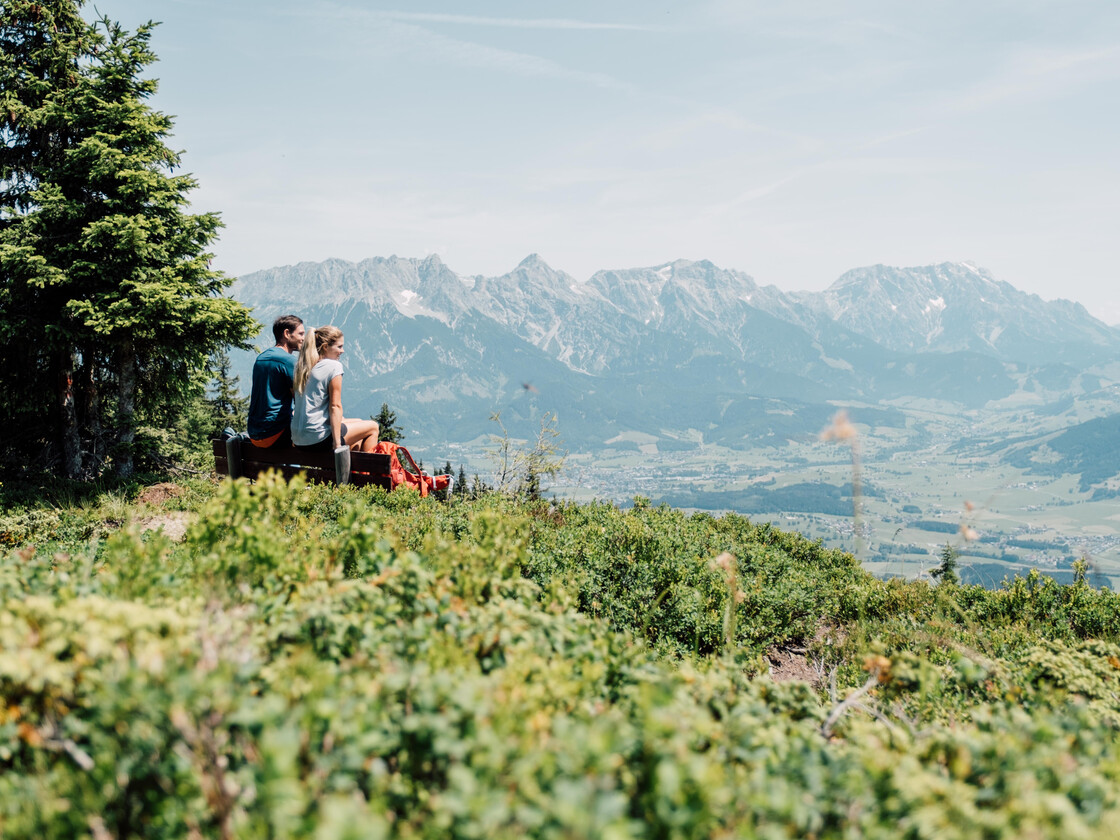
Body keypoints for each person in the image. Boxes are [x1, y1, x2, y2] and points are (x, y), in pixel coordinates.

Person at [291, 325, 379, 452]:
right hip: (318, 439)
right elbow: (335, 406)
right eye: (339, 346)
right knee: (373, 427)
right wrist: (337, 444)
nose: (342, 351)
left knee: (359, 422)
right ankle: (367, 471)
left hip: (299, 439)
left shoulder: (301, 367)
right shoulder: (333, 366)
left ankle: (352, 471)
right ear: (325, 347)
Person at [247, 314, 305, 448]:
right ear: (287, 334)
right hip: (275, 433)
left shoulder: (261, 358)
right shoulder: (289, 361)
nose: (303, 338)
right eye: (300, 334)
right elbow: (301, 401)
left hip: (255, 433)